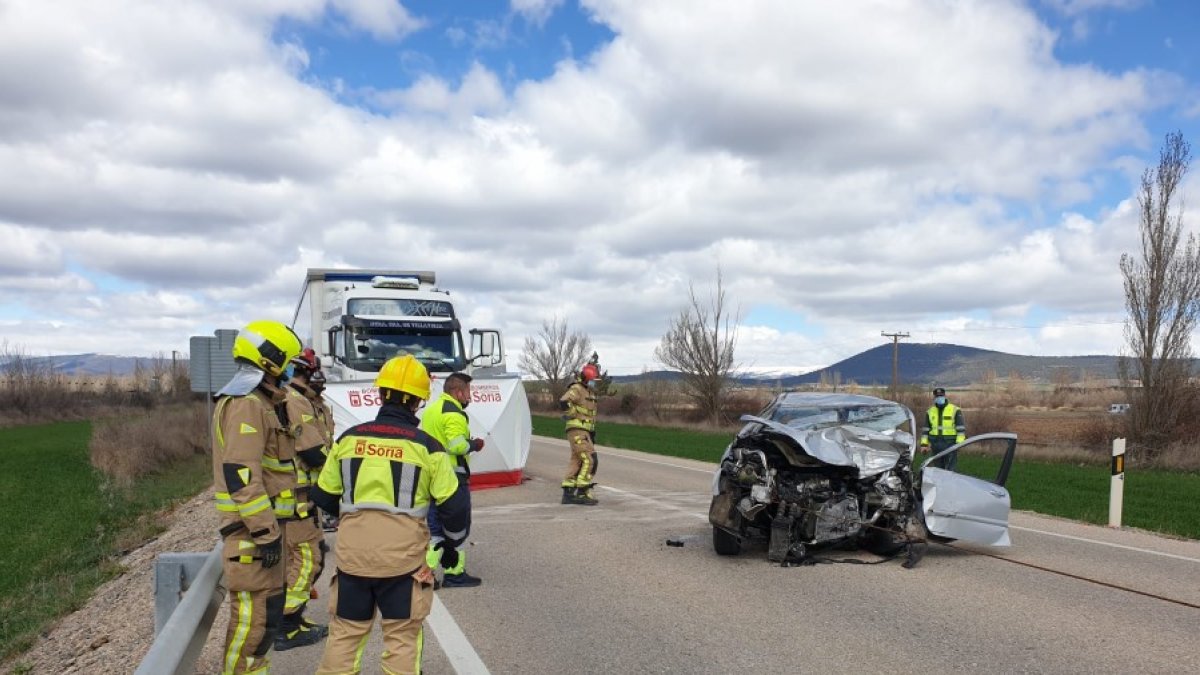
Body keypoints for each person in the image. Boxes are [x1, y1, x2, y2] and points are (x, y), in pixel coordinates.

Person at [310, 355, 470, 675]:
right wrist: (450, 546)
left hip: (353, 559)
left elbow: (324, 496)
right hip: (403, 562)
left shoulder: (349, 439)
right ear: (419, 401)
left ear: (381, 393)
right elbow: (454, 508)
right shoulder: (428, 448)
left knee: (345, 636)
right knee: (401, 637)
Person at [211, 320, 303, 675]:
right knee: (251, 626)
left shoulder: (262, 403)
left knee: (264, 623)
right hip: (251, 535)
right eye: (289, 361)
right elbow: (241, 473)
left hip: (264, 532)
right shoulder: (246, 405)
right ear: (271, 360)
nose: (292, 369)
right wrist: (265, 532)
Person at [275, 348, 331, 651]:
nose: (321, 378)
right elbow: (312, 451)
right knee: (309, 559)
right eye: (315, 371)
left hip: (304, 495)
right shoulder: (295, 402)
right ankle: (286, 626)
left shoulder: (308, 400)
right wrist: (341, 472)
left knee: (305, 559)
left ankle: (293, 620)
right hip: (296, 496)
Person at [420, 372, 485, 588]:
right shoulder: (454, 413)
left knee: (436, 529)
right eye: (467, 392)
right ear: (457, 392)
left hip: (431, 477)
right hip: (452, 479)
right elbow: (457, 445)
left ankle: (425, 575)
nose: (470, 397)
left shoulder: (432, 410)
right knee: (457, 528)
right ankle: (454, 574)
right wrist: (474, 444)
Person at [560, 361, 601, 506]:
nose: (595, 383)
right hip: (577, 430)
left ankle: (568, 493)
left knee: (577, 461)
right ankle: (582, 492)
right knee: (590, 460)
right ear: (588, 378)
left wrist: (591, 432)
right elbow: (564, 402)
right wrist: (572, 414)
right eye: (594, 380)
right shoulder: (577, 389)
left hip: (584, 431)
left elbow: (589, 415)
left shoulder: (588, 392)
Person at [920, 386, 966, 471]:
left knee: (950, 471)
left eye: (941, 396)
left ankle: (949, 484)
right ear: (934, 398)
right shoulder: (930, 412)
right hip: (935, 445)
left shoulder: (955, 410)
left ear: (945, 396)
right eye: (937, 396)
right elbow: (926, 430)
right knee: (937, 471)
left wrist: (959, 444)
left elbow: (961, 429)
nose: (939, 398)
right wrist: (924, 445)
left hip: (950, 445)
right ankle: (939, 484)